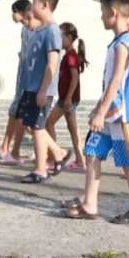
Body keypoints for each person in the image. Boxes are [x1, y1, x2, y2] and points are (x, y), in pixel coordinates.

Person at [59, 0, 129, 224]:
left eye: (102, 12)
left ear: (113, 12)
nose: (101, 17)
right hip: (110, 113)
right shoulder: (118, 43)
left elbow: (116, 81)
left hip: (124, 114)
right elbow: (111, 81)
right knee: (92, 152)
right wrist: (100, 109)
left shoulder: (123, 45)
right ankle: (90, 204)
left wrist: (100, 112)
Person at [16, 0, 71, 183]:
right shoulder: (38, 30)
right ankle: (58, 153)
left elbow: (52, 64)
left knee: (38, 128)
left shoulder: (53, 31)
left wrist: (43, 90)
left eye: (34, 3)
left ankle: (41, 170)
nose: (31, 7)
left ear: (45, 5)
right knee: (32, 125)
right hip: (31, 88)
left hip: (41, 90)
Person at [0, 0, 33, 165]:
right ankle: (6, 147)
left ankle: (16, 151)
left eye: (13, 12)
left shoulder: (33, 29)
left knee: (21, 114)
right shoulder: (25, 28)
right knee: (15, 112)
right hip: (23, 76)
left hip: (29, 79)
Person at [45, 22, 88, 172]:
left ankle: (54, 157)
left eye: (60, 36)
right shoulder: (69, 55)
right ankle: (80, 160)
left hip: (67, 99)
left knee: (48, 123)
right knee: (73, 129)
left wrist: (68, 97)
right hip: (68, 98)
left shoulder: (71, 56)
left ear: (69, 37)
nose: (58, 40)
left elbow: (75, 78)